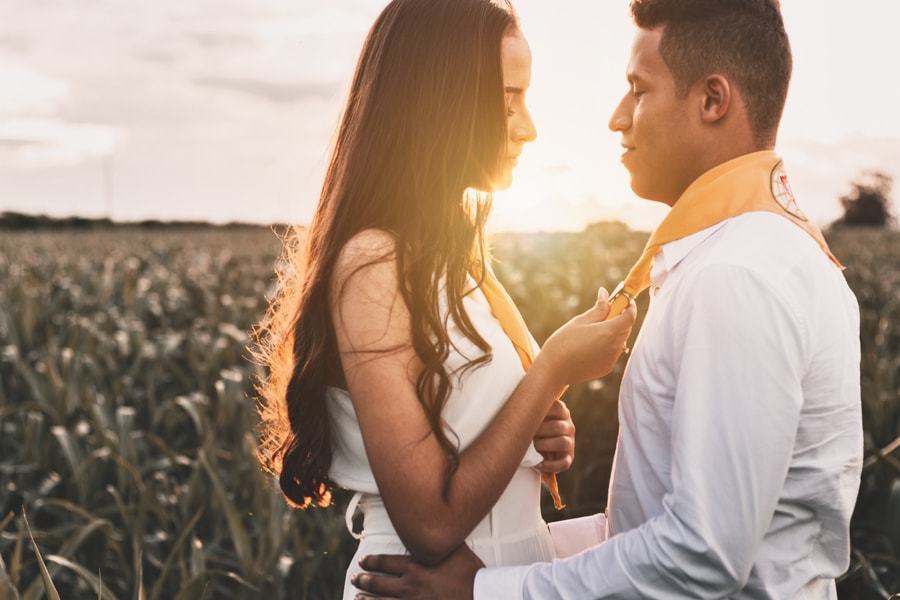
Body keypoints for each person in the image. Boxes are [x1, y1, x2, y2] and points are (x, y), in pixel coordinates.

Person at [353, 0, 864, 598]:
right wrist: (506, 562)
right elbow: (649, 529)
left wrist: (488, 591)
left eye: (637, 90)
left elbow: (700, 554)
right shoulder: (755, 253)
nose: (617, 118)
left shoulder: (734, 274)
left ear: (712, 100)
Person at [252, 1, 637, 598]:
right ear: (441, 101)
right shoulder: (374, 264)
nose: (528, 125)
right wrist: (552, 371)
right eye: (509, 99)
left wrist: (535, 430)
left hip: (495, 579)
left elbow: (466, 431)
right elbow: (430, 523)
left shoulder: (458, 261)